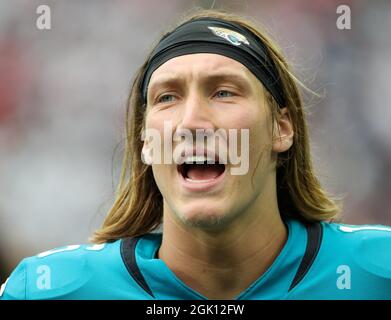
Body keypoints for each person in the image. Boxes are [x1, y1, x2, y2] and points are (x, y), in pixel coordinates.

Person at [1, 9, 391, 300]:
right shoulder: (46, 290)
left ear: (281, 128)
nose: (192, 121)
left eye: (223, 92)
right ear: (146, 144)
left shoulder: (377, 272)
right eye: (167, 97)